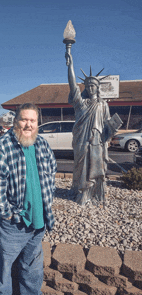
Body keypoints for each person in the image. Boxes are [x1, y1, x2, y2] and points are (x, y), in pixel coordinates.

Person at [0, 103, 57, 295]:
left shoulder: (42, 144)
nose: (28, 125)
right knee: (3, 270)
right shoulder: (2, 146)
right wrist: (6, 213)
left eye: (32, 120)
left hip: (38, 221)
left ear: (37, 123)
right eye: (24, 119)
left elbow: (51, 173)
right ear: (15, 121)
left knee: (32, 268)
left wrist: (47, 204)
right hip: (13, 223)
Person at [66, 52, 115, 206]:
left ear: (98, 87)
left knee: (95, 167)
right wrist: (70, 65)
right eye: (88, 85)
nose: (90, 87)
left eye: (93, 85)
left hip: (97, 141)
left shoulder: (103, 104)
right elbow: (73, 85)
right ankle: (80, 193)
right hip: (81, 140)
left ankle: (93, 194)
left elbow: (107, 123)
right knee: (81, 167)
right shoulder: (81, 103)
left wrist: (112, 130)